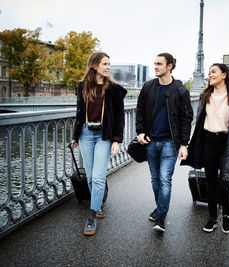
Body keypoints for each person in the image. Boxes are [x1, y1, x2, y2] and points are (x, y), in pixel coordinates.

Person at [181, 63, 229, 234]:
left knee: (224, 184)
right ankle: (212, 218)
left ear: (224, 75)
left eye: (213, 72)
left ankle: (226, 216)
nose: (210, 75)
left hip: (226, 144)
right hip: (209, 143)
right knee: (210, 183)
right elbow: (200, 121)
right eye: (209, 72)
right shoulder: (206, 95)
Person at [136, 52, 193, 232]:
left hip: (170, 143)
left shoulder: (181, 91)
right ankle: (160, 208)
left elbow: (186, 119)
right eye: (154, 64)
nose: (155, 67)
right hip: (151, 141)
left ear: (169, 66)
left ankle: (161, 217)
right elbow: (140, 110)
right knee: (155, 180)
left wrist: (184, 144)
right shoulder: (148, 87)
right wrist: (140, 132)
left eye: (159, 64)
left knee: (164, 179)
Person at [72, 52, 127, 236]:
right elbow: (79, 113)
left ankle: (92, 215)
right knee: (90, 176)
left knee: (97, 177)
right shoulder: (83, 86)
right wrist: (75, 135)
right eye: (105, 63)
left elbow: (120, 116)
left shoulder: (113, 88)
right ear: (94, 65)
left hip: (104, 135)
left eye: (109, 63)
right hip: (86, 134)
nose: (108, 67)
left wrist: (117, 141)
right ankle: (98, 205)